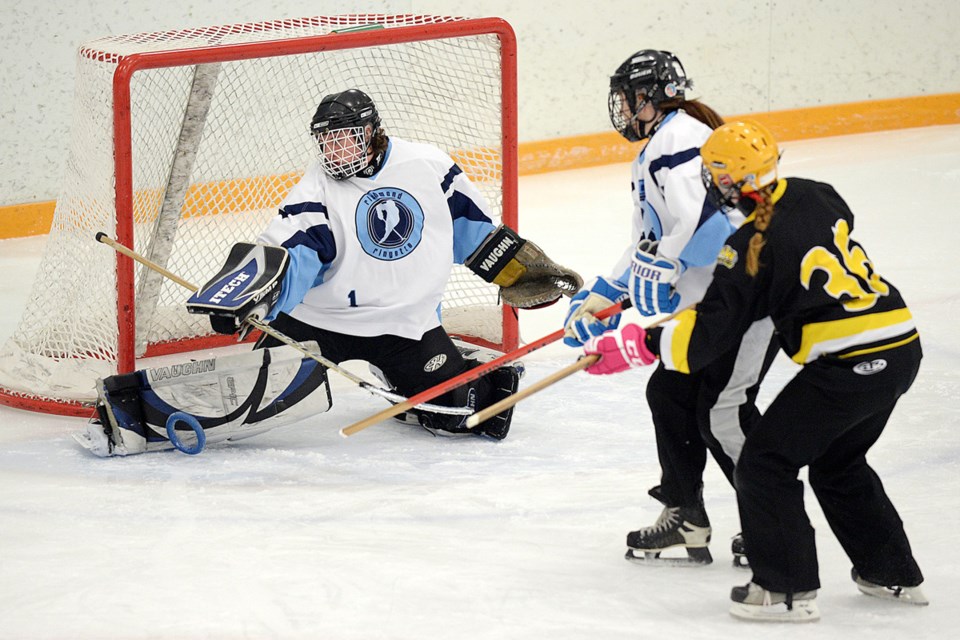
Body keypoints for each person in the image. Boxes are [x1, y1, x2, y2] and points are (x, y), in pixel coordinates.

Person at [583, 120, 927, 622]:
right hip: (900, 349)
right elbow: (808, 242)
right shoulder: (817, 195)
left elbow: (707, 339)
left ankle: (785, 591)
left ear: (725, 180)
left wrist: (643, 342)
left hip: (846, 365)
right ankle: (891, 572)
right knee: (838, 464)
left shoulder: (748, 245)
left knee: (766, 462)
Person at [185, 88, 582, 442]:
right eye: (326, 142)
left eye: (345, 139)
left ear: (372, 133)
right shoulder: (316, 188)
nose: (334, 152)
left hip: (405, 323)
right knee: (249, 402)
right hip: (319, 322)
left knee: (462, 414)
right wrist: (250, 299)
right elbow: (293, 253)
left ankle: (446, 368)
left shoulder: (427, 165)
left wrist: (521, 273)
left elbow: (473, 231)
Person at [563, 50, 779, 566]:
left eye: (625, 98)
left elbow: (707, 223)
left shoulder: (678, 139)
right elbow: (652, 237)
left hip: (737, 302)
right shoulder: (660, 145)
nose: (621, 109)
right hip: (707, 306)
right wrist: (606, 294)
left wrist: (665, 269)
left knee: (722, 414)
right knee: (670, 395)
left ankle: (771, 522)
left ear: (647, 97)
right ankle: (687, 516)